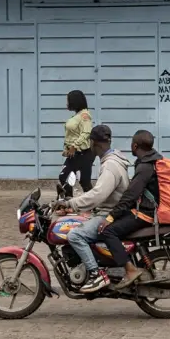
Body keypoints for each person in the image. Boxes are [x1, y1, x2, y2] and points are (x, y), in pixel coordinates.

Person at [55, 125, 130, 293]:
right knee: (78, 222)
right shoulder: (112, 160)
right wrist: (74, 206)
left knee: (75, 235)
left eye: (90, 142)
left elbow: (98, 194)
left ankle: (96, 274)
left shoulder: (110, 166)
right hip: (108, 211)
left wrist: (71, 203)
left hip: (108, 215)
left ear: (95, 143)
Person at [98, 130, 163, 289]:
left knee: (107, 231)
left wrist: (111, 217)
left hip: (145, 214)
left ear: (135, 145)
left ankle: (129, 269)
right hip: (146, 209)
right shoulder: (153, 160)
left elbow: (130, 195)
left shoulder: (145, 167)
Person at [61, 90, 95, 197]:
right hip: (73, 154)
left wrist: (74, 146)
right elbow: (72, 135)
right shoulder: (77, 116)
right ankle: (68, 202)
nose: (67, 104)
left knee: (84, 182)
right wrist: (67, 148)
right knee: (64, 177)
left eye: (68, 101)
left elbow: (86, 133)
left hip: (84, 154)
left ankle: (93, 205)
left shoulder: (85, 115)